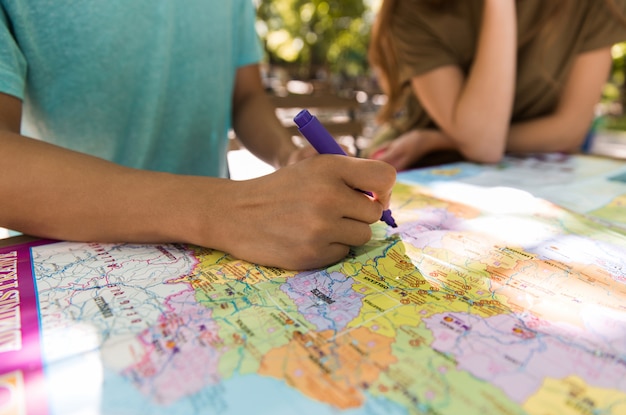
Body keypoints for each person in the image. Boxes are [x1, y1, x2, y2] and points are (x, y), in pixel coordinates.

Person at [0, 0, 396, 271]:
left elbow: (246, 96)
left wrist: (289, 155)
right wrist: (222, 210)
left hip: (219, 248)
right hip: (75, 250)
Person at [365, 0, 626, 170]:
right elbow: (483, 141)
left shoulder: (596, 6)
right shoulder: (412, 9)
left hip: (531, 174)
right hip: (417, 166)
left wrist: (439, 140)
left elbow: (569, 129)